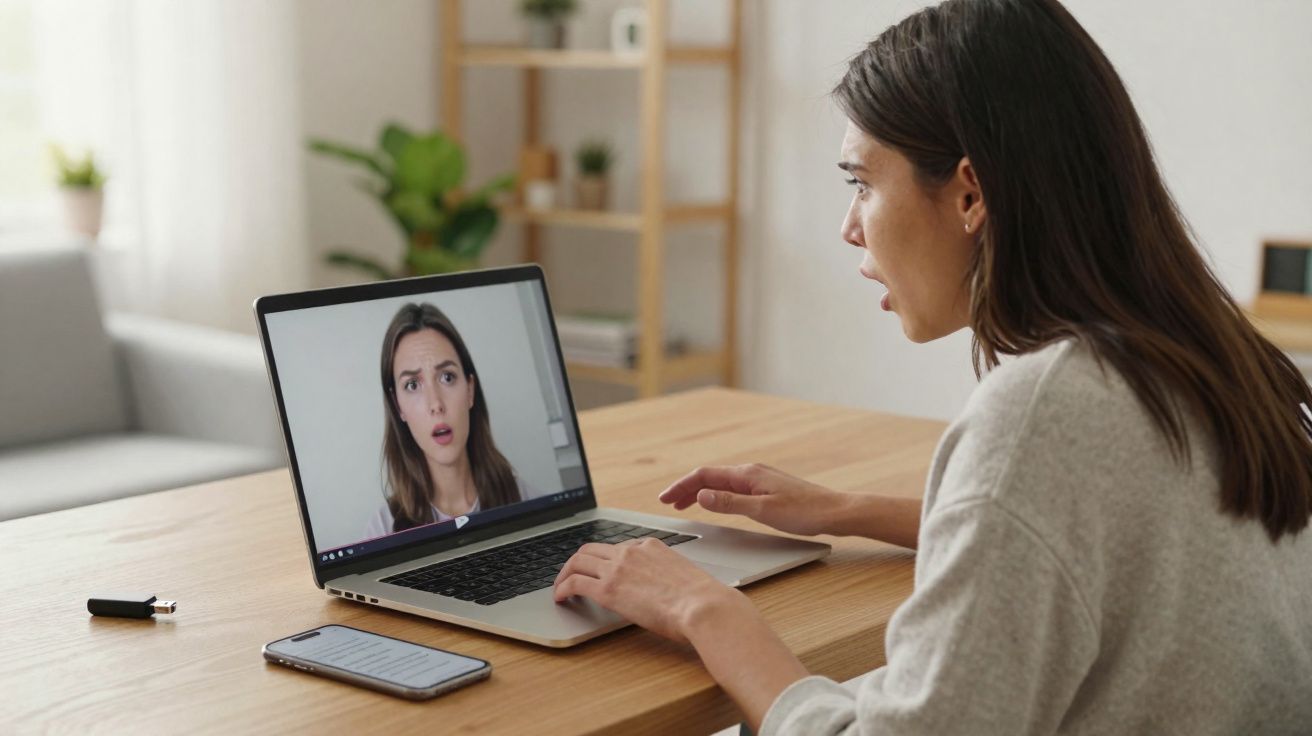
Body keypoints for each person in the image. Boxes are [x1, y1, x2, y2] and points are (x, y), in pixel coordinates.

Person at [550, 0, 1312, 733]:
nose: (849, 228)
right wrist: (847, 511)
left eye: (861, 182)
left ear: (971, 192)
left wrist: (704, 610)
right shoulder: (1211, 358)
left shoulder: (1050, 410)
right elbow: (1111, 546)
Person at [363, 302, 531, 538]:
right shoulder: (382, 529)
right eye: (412, 384)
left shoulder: (523, 498)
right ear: (397, 405)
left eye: (447, 377)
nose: (436, 404)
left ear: (470, 389)